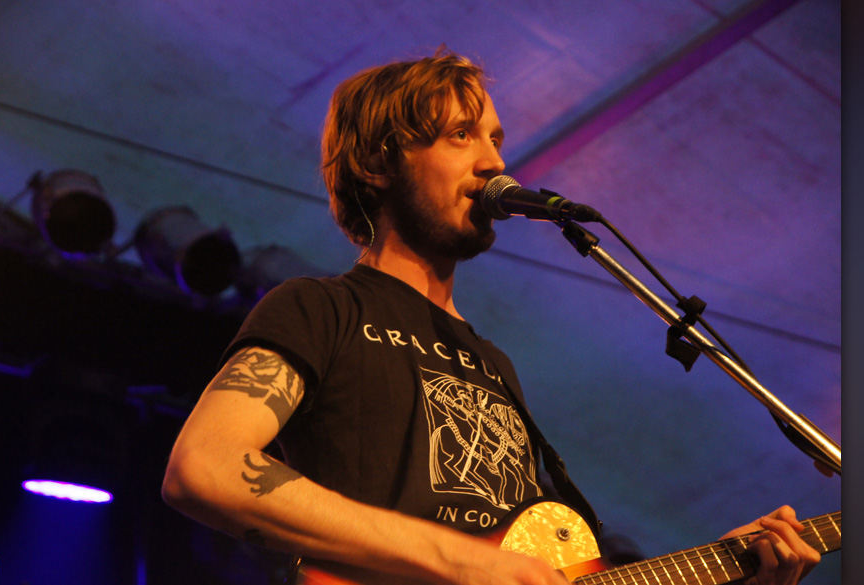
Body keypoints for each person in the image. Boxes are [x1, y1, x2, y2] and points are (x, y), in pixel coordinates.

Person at [161, 49, 821, 585]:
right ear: (376, 163)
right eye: (461, 135)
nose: (495, 162)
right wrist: (458, 559)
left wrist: (732, 572)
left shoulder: (493, 363)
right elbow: (205, 467)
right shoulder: (321, 307)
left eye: (495, 138)